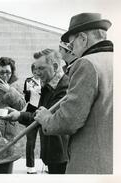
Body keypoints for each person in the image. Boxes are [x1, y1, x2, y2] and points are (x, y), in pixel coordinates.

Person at [34, 13, 113, 174]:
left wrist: (46, 119)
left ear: (83, 38)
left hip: (91, 163)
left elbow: (70, 119)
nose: (71, 49)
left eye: (72, 43)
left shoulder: (86, 63)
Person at [3, 49, 69, 174]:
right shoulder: (48, 85)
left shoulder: (64, 87)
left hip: (61, 152)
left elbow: (47, 117)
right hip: (53, 150)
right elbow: (39, 114)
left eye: (41, 68)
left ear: (55, 66)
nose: (37, 73)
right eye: (35, 68)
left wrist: (19, 115)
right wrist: (19, 114)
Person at [0, 57, 26, 142]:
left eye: (8, 72)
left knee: (9, 152)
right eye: (2, 72)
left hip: (10, 128)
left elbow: (21, 106)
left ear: (12, 72)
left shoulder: (16, 87)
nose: (5, 76)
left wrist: (9, 90)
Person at [22, 63, 41, 174]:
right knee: (31, 139)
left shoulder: (46, 80)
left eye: (39, 70)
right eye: (35, 70)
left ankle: (48, 163)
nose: (37, 73)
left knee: (46, 138)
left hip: (43, 109)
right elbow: (26, 97)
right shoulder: (29, 81)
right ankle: (30, 165)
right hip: (31, 110)